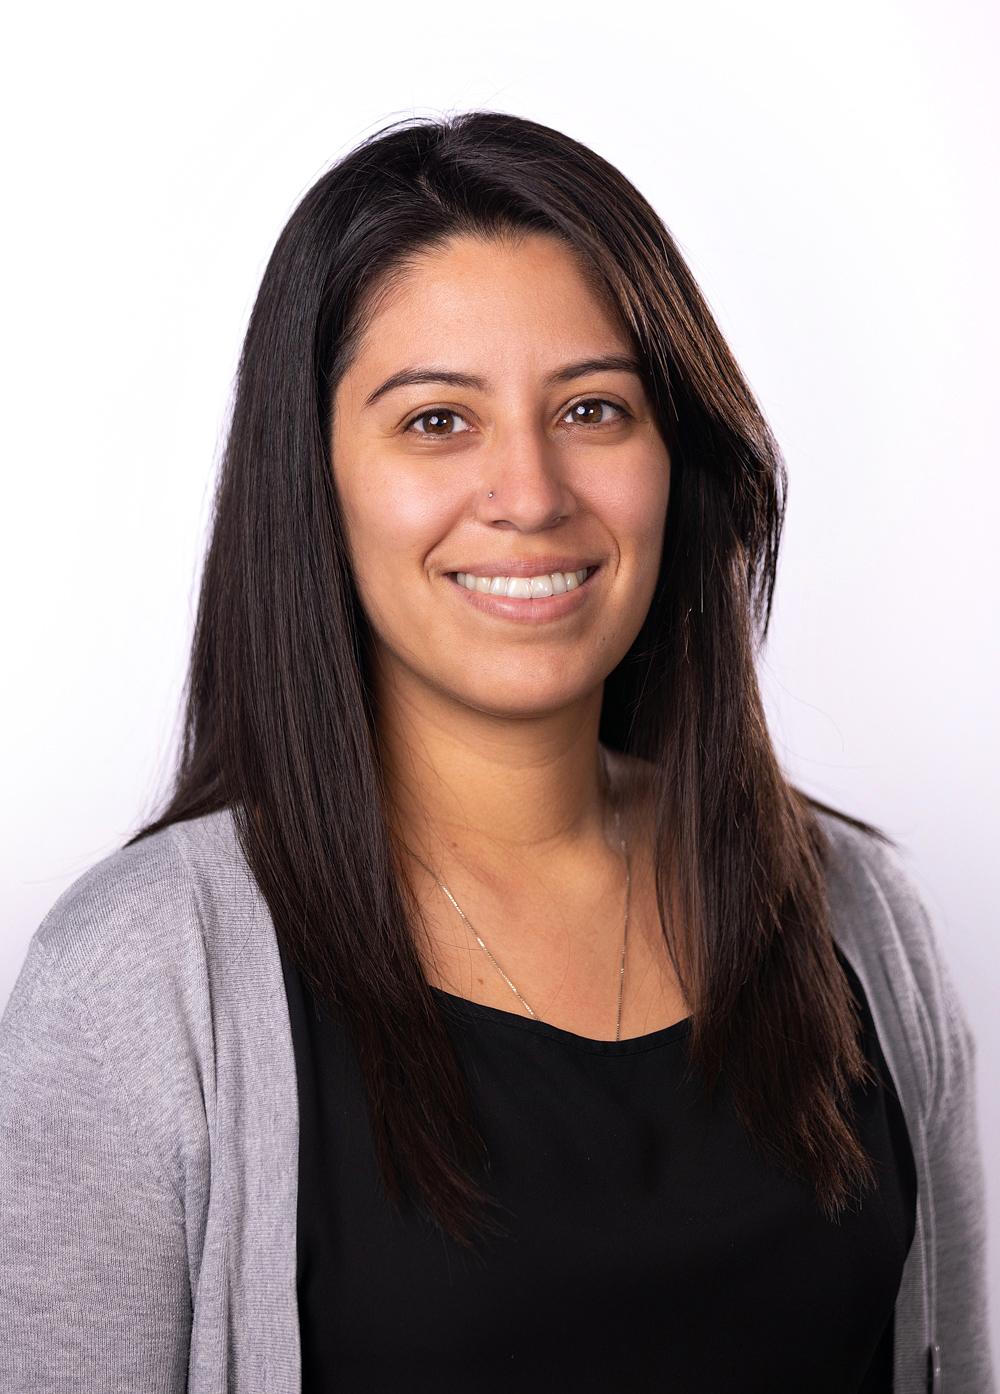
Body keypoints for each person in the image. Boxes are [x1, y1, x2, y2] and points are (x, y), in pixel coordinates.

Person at [0, 113, 991, 1394]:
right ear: (314, 479)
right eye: (435, 420)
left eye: (591, 408)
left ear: (675, 455)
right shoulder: (138, 982)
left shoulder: (861, 917)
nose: (529, 492)